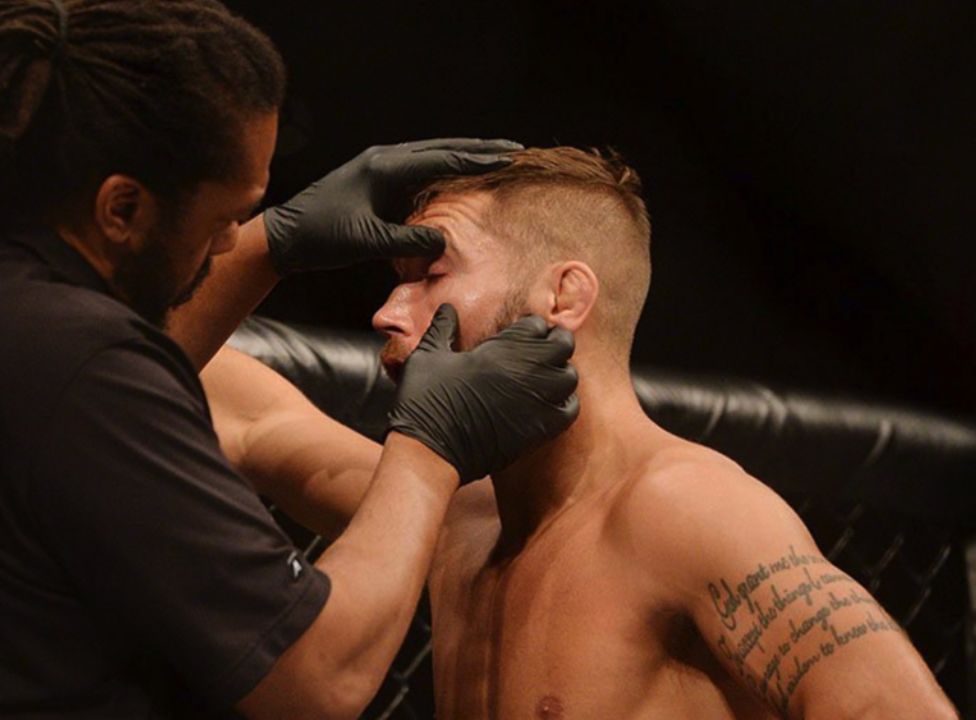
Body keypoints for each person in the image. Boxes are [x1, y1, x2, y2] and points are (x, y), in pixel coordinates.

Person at [0, 2, 583, 718]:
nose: (229, 242)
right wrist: (432, 443)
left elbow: (60, 417)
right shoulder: (69, 360)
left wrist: (271, 246)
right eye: (228, 216)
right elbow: (316, 680)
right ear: (122, 208)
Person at [200, 147, 958, 718]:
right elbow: (223, 402)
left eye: (430, 273)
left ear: (563, 295)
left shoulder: (688, 510)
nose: (389, 313)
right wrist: (273, 243)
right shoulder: (451, 517)